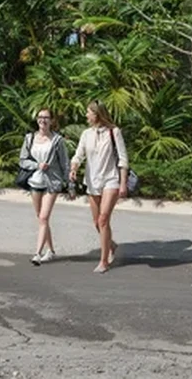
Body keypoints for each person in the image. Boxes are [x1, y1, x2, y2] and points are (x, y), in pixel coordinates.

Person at [68, 100, 130, 273]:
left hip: (110, 180)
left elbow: (123, 159)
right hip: (92, 181)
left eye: (88, 112)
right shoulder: (86, 134)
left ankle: (104, 261)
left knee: (103, 219)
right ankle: (111, 244)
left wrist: (123, 183)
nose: (86, 115)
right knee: (97, 222)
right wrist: (74, 168)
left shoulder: (114, 132)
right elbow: (78, 155)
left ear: (97, 114)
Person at [18, 108, 72, 264]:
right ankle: (51, 250)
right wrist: (36, 165)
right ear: (36, 120)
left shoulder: (57, 141)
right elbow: (22, 160)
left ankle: (37, 253)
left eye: (46, 117)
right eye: (40, 117)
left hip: (52, 183)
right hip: (35, 181)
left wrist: (70, 185)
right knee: (41, 219)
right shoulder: (29, 139)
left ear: (51, 120)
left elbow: (65, 163)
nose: (43, 120)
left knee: (43, 217)